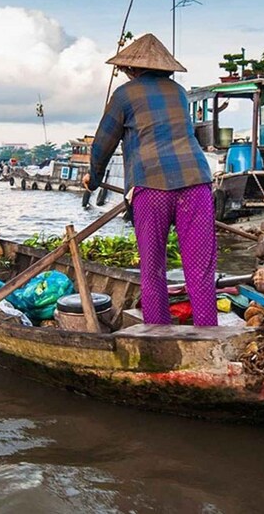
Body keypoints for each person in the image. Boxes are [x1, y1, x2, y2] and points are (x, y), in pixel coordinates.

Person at [82, 33, 217, 327]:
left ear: (131, 69)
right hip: (196, 183)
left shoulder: (124, 94)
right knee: (200, 269)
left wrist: (93, 180)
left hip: (152, 187)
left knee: (153, 268)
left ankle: (158, 331)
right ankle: (208, 333)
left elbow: (103, 142)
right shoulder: (179, 92)